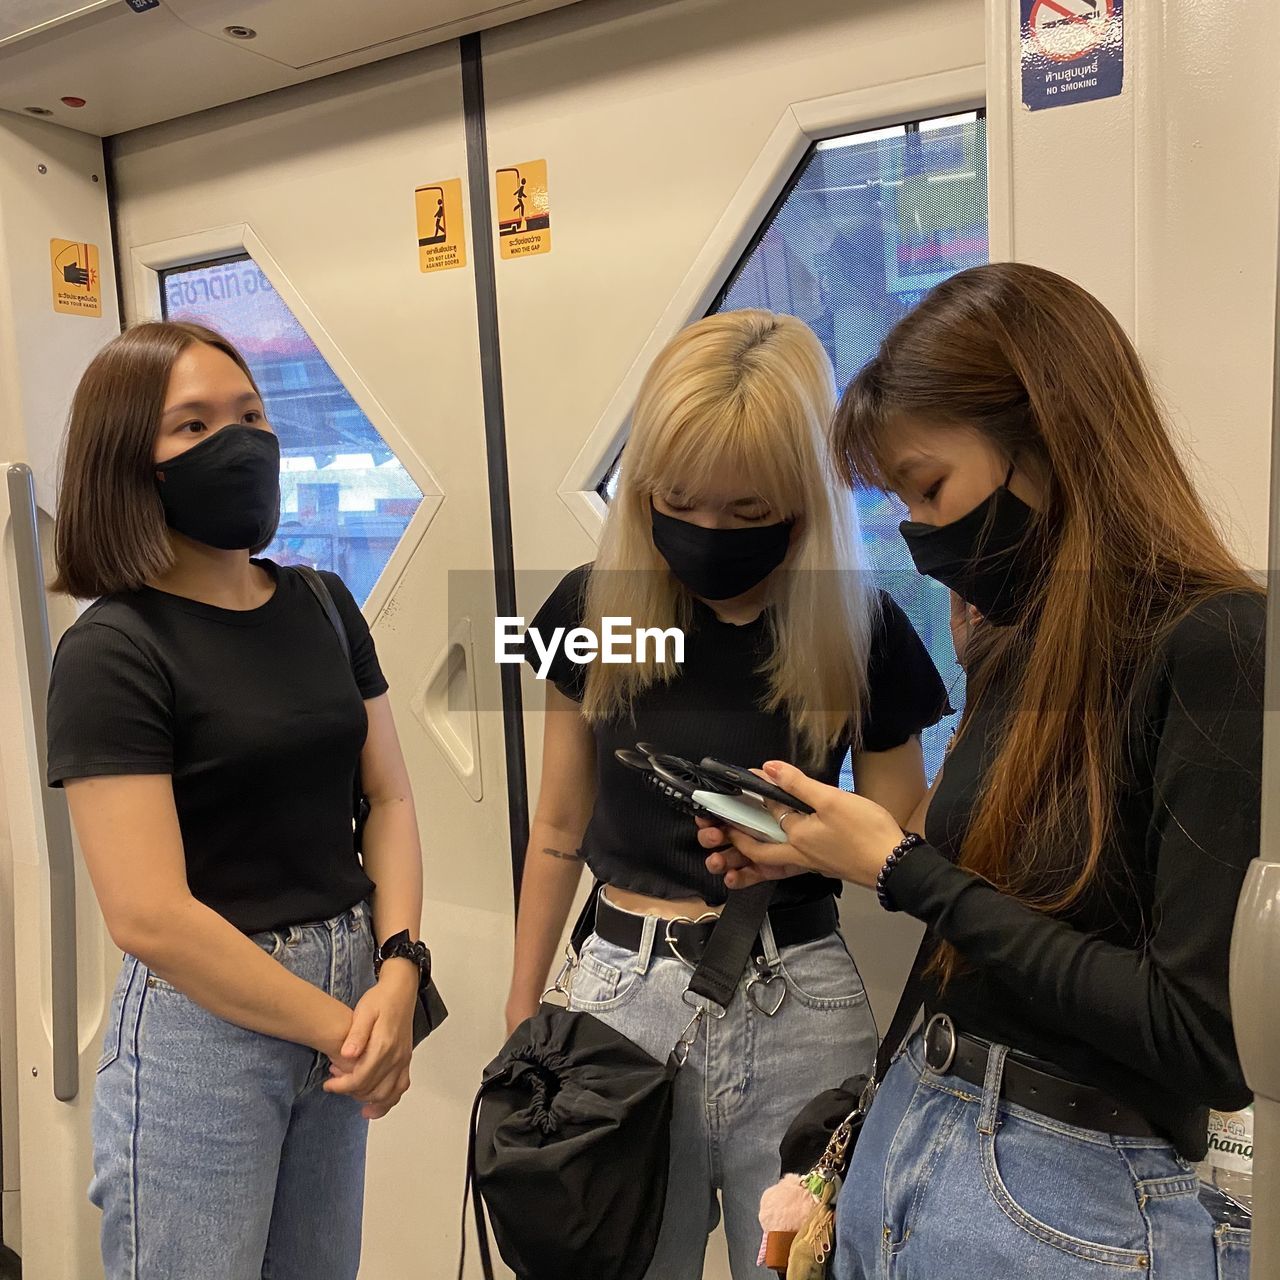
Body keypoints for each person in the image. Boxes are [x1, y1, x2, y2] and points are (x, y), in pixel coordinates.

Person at [699, 264, 1261, 1280]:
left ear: (1044, 433)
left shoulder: (1217, 642)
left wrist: (903, 870)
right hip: (921, 1128)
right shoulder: (1018, 646)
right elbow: (991, 909)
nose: (918, 535)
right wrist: (824, 851)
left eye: (927, 487)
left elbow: (1198, 1037)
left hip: (1068, 1195)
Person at [507, 309, 950, 1279]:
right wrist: (517, 1015)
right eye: (680, 501)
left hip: (799, 998)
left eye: (747, 512)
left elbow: (897, 848)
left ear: (802, 498)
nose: (708, 533)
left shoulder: (858, 627)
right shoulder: (595, 613)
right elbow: (554, 828)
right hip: (615, 1001)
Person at [46, 322, 426, 1280]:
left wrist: (399, 969)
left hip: (350, 985)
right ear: (131, 464)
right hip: (203, 1029)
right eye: (193, 426)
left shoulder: (325, 603)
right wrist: (347, 1029)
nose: (240, 439)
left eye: (251, 414)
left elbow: (385, 797)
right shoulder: (113, 647)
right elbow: (149, 916)